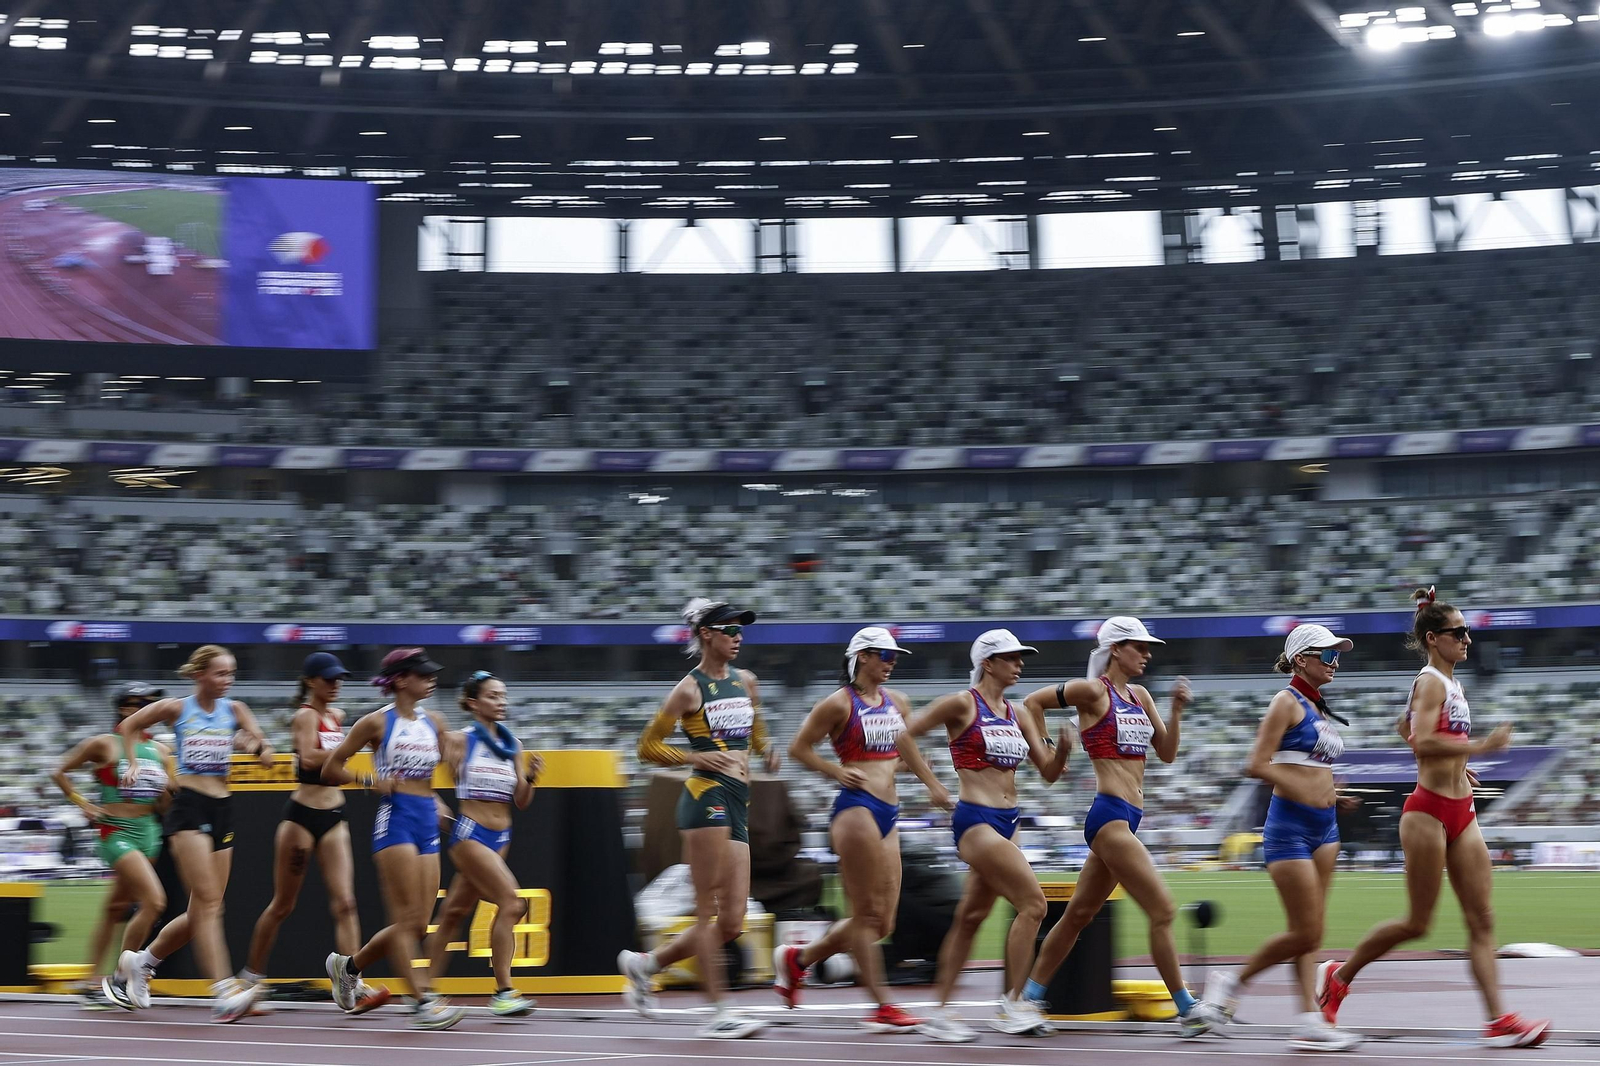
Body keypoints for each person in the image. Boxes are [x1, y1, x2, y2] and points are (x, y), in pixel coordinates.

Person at [1315, 589, 1550, 1048]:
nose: (1467, 639)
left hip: (1463, 811)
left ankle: (1498, 1020)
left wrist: (1459, 765)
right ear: (1432, 638)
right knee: (1417, 923)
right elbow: (1422, 740)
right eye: (1457, 632)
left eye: (1467, 631)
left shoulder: (1452, 684)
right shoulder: (1430, 682)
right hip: (1427, 813)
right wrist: (1480, 747)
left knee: (1482, 919)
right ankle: (1338, 977)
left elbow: (1406, 728)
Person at [1015, 617, 1208, 1037]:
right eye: (1140, 646)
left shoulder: (1140, 696)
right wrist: (1048, 749)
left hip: (1129, 818)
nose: (1147, 654)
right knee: (1163, 909)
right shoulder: (1092, 691)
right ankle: (1187, 1008)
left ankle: (1027, 998)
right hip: (1110, 816)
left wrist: (1176, 710)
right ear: (1116, 649)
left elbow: (1167, 752)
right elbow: (1031, 702)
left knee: (1078, 915)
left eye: (1148, 647)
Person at [618, 599, 781, 1040]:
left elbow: (756, 725)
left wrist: (765, 749)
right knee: (707, 913)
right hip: (705, 797)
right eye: (730, 630)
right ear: (707, 634)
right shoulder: (689, 689)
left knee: (732, 922)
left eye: (742, 631)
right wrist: (695, 757)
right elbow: (647, 746)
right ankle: (718, 1012)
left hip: (739, 799)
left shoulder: (746, 681)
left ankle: (645, 965)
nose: (739, 637)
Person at [1193, 624, 1361, 1050]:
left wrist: (1331, 793)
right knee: (1305, 931)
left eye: (1338, 656)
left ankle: (1307, 1020)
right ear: (1301, 659)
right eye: (1328, 655)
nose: (1335, 663)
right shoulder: (1285, 701)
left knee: (1312, 932)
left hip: (1326, 828)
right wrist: (1303, 788)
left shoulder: (1318, 707)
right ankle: (1231, 983)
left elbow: (1307, 766)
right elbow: (1256, 763)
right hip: (1290, 828)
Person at [898, 629, 1070, 1043]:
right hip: (975, 819)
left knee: (970, 918)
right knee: (1034, 905)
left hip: (1010, 821)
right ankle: (1013, 1004)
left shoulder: (1018, 713)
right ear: (988, 663)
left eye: (1021, 657)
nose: (1020, 664)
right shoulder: (962, 703)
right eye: (1011, 657)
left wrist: (1063, 749)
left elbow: (1048, 773)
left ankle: (940, 1012)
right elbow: (903, 735)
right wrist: (933, 786)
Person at [778, 627, 952, 1032]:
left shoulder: (898, 701)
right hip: (855, 810)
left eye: (895, 656)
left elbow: (901, 753)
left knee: (882, 923)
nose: (892, 662)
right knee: (864, 915)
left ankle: (798, 959)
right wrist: (835, 771)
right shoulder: (838, 703)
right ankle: (881, 1006)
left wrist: (928, 776)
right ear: (862, 657)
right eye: (885, 656)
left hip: (890, 811)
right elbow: (798, 748)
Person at [105, 646, 272, 1022]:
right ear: (199, 675)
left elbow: (261, 744)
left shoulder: (236, 710)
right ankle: (224, 992)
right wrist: (131, 763)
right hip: (189, 808)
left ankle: (142, 963)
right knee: (209, 903)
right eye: (220, 673)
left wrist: (256, 746)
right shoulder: (176, 708)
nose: (227, 680)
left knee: (205, 909)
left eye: (231, 673)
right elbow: (128, 727)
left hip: (223, 809)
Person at [321, 648, 466, 1031]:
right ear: (401, 680)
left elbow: (442, 770)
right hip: (395, 819)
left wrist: (442, 795)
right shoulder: (375, 722)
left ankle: (348, 967)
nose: (431, 680)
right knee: (403, 920)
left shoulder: (435, 720)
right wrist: (369, 780)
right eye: (423, 675)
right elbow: (331, 766)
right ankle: (420, 1001)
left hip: (425, 819)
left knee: (416, 925)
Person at [238, 653, 390, 1014]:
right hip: (302, 817)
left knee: (346, 903)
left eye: (339, 679)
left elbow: (337, 758)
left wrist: (357, 750)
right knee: (282, 905)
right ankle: (248, 981)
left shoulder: (337, 716)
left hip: (335, 814)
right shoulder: (305, 716)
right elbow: (307, 758)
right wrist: (356, 765)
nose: (335, 685)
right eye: (328, 679)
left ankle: (352, 981)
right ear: (310, 681)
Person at [422, 671, 543, 1018]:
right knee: (512, 903)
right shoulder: (460, 740)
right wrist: (435, 802)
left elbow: (521, 801)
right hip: (470, 834)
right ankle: (504, 991)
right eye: (492, 696)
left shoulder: (513, 744)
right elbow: (417, 773)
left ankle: (424, 990)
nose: (500, 702)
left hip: (501, 837)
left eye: (503, 695)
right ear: (473, 703)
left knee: (453, 913)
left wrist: (531, 776)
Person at [52, 683, 172, 1009]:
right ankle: (122, 978)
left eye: (152, 704)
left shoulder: (161, 751)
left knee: (116, 907)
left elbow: (165, 804)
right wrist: (83, 803)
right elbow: (58, 771)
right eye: (142, 704)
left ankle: (92, 981)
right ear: (124, 708)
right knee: (154, 902)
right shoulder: (104, 744)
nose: (150, 709)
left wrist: (168, 792)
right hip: (116, 830)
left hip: (150, 833)